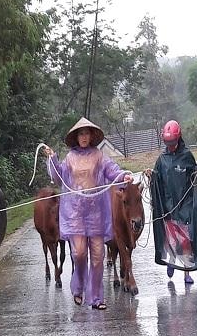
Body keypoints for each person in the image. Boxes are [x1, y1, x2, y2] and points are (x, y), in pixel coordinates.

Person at [43, 117, 133, 310]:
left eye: (86, 133)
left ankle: (97, 298)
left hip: (96, 213)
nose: (84, 137)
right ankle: (78, 288)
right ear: (76, 137)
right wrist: (52, 158)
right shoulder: (69, 158)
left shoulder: (99, 156)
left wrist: (123, 176)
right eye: (80, 134)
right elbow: (59, 178)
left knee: (99, 255)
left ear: (91, 136)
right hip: (75, 214)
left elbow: (112, 172)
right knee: (80, 253)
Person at [145, 119, 197, 286]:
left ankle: (186, 273)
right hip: (168, 205)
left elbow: (194, 173)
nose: (171, 145)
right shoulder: (162, 159)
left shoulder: (187, 155)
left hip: (185, 204)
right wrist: (150, 175)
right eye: (168, 142)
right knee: (170, 237)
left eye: (173, 142)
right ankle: (172, 261)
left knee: (185, 240)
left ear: (179, 138)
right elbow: (157, 177)